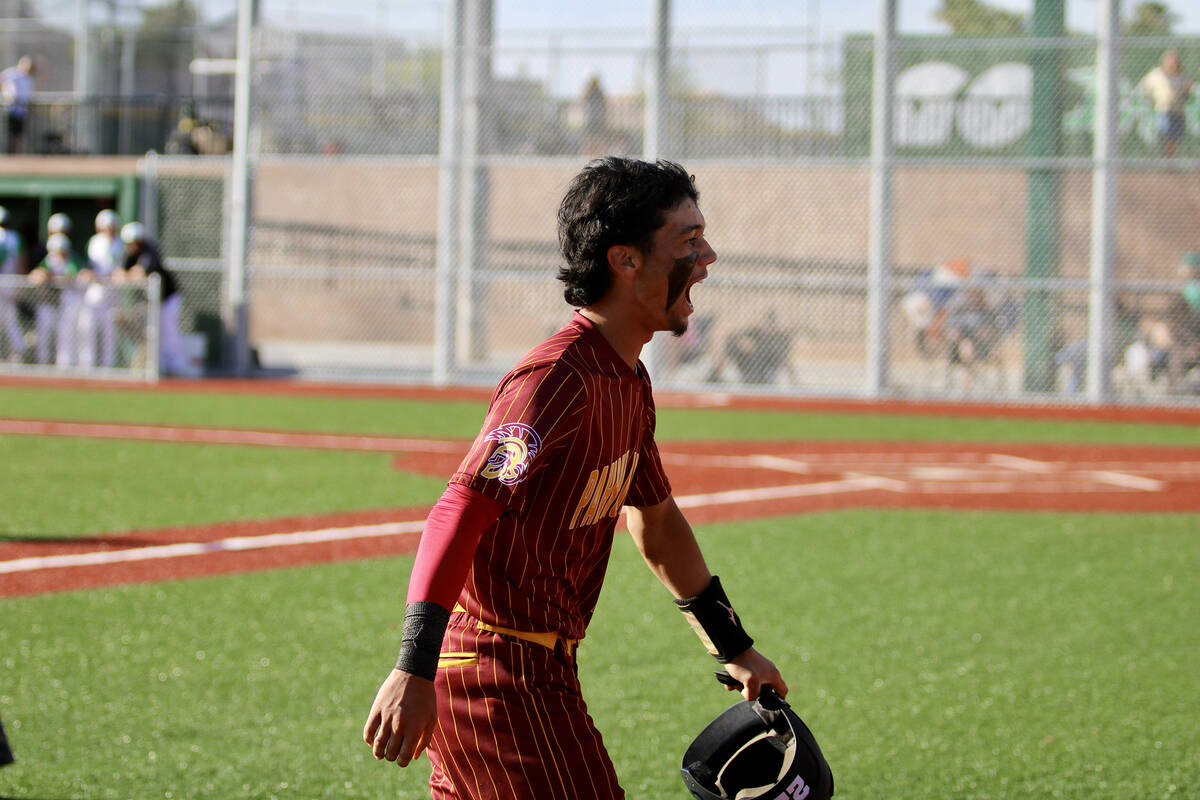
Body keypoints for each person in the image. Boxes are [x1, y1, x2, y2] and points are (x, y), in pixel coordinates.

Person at [363, 157, 787, 799]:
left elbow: (658, 522)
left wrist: (733, 646)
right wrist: (412, 668)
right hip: (498, 675)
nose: (708, 257)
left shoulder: (629, 381)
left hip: (535, 667)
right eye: (689, 240)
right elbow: (462, 507)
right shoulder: (557, 380)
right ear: (625, 260)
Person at [120, 221, 187, 376]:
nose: (132, 246)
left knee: (168, 330)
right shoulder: (128, 255)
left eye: (135, 242)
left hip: (168, 299)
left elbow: (141, 273)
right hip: (152, 301)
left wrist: (130, 275)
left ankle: (176, 366)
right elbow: (119, 274)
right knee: (152, 332)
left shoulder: (150, 251)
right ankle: (161, 366)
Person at [29, 232, 86, 365]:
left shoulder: (73, 260)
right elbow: (36, 276)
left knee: (66, 335)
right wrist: (44, 276)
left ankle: (65, 365)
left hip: (67, 303)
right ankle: (42, 362)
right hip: (49, 302)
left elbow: (79, 275)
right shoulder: (48, 261)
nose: (60, 254)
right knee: (45, 332)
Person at [80, 209, 125, 368]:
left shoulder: (120, 244)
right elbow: (90, 265)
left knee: (110, 331)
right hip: (95, 290)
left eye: (111, 226)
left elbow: (119, 268)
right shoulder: (94, 242)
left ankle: (108, 366)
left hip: (112, 292)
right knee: (88, 328)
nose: (108, 229)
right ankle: (86, 365)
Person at [1138, 50, 1193, 158]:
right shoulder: (1157, 74)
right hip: (1163, 109)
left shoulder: (1181, 76)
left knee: (1175, 137)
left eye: (1174, 61)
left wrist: (1187, 90)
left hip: (1178, 110)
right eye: (1169, 61)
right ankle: (1164, 159)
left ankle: (1170, 160)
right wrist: (1151, 100)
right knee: (1166, 135)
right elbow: (1144, 87)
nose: (1171, 64)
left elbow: (1187, 92)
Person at [1165, 251, 1200, 393]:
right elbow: (1174, 325)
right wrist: (1191, 343)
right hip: (1183, 343)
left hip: (1196, 341)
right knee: (1177, 358)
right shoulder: (1179, 295)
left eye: (1193, 269)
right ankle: (1174, 395)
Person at [0, 205, 28, 362]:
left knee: (9, 320)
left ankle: (18, 351)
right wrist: (20, 284)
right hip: (11, 282)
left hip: (5, 282)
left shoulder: (10, 238)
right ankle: (17, 351)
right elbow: (22, 264)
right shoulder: (15, 237)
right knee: (10, 319)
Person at [1, 56, 36, 155]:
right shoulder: (12, 73)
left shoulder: (29, 78)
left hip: (22, 110)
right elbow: (2, 80)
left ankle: (18, 155)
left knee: (20, 134)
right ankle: (8, 154)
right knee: (8, 134)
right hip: (10, 108)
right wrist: (5, 93)